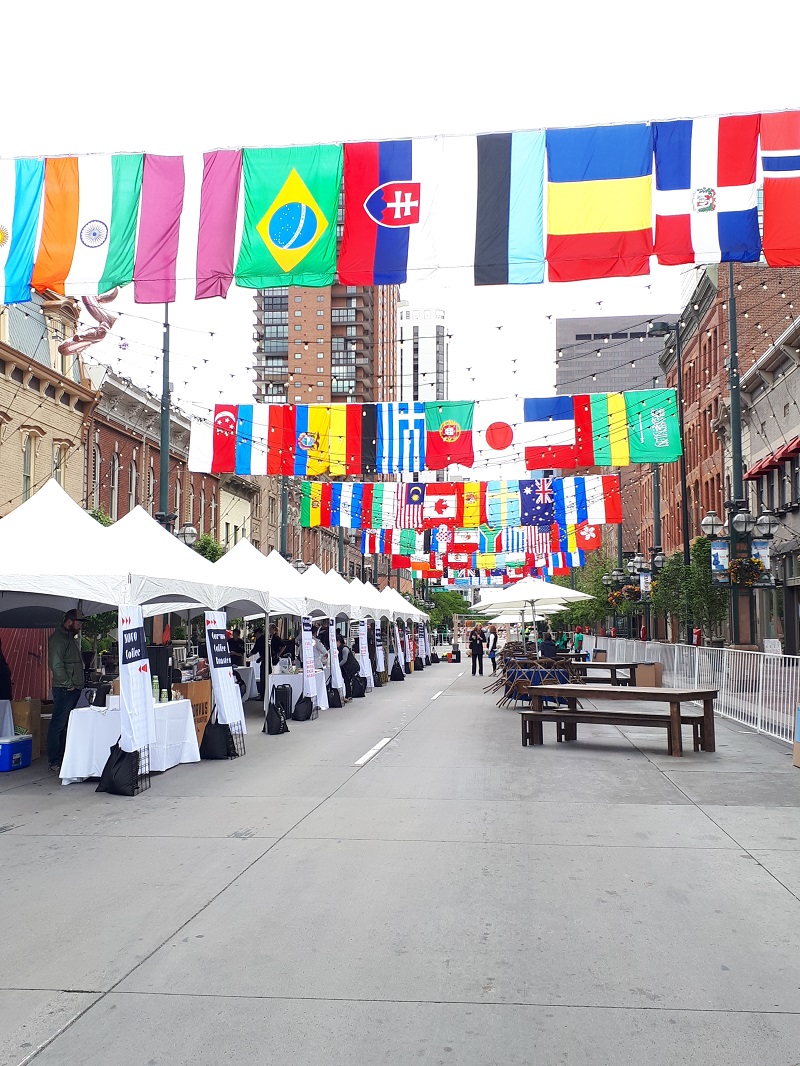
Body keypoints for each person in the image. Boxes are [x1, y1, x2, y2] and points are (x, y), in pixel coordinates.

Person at [47, 608, 85, 771]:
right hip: (65, 689)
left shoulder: (69, 637)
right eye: (78, 622)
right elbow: (55, 664)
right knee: (58, 724)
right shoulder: (59, 639)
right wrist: (68, 684)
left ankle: (62, 758)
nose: (81, 626)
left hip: (71, 687)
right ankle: (54, 761)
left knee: (64, 724)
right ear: (69, 621)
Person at [336, 633, 355, 701]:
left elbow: (344, 660)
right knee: (346, 681)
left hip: (350, 667)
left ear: (338, 641)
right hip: (346, 667)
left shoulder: (344, 649)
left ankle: (348, 696)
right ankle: (348, 695)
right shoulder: (340, 648)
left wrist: (337, 665)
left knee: (347, 681)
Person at [252, 625, 267, 702]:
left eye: (256, 634)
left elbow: (255, 649)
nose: (256, 637)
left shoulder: (260, 640)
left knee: (263, 677)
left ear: (258, 633)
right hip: (266, 659)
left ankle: (262, 695)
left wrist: (249, 654)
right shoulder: (265, 639)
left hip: (265, 660)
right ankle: (264, 694)